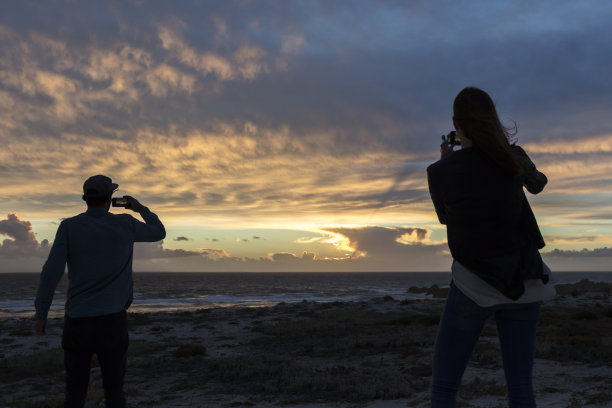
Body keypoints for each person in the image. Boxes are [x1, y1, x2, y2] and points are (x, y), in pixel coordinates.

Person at [427, 87, 555, 408]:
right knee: (521, 388)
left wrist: (448, 163)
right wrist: (516, 158)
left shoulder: (441, 171)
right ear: (492, 119)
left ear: (457, 123)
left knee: (444, 389)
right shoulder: (512, 157)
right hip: (526, 279)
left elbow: (446, 219)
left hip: (474, 283)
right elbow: (538, 184)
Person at [34, 175, 166, 408]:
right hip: (112, 321)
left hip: (78, 321)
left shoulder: (69, 227)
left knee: (75, 392)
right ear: (110, 198)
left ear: (86, 198)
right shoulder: (125, 223)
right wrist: (140, 208)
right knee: (114, 391)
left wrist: (41, 313)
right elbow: (158, 231)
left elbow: (50, 273)